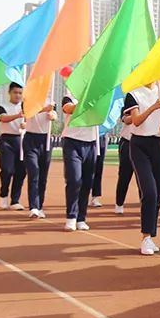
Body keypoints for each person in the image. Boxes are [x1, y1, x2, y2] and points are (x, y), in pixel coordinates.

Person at [124, 82, 160, 254]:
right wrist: (153, 107)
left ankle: (151, 235)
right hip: (140, 145)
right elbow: (136, 121)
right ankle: (145, 237)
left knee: (157, 193)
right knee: (149, 192)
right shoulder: (134, 94)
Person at [60, 91, 100, 231]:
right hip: (72, 142)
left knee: (87, 182)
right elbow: (68, 108)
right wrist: (87, 102)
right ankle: (71, 216)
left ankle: (81, 218)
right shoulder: (70, 97)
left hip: (91, 143)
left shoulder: (97, 97)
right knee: (74, 180)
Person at [23, 97, 56, 218]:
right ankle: (33, 207)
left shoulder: (51, 101)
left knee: (43, 176)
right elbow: (27, 112)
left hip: (46, 140)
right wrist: (44, 109)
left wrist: (53, 115)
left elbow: (54, 115)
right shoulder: (29, 98)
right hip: (31, 139)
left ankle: (40, 205)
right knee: (33, 172)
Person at [0, 82, 26, 210]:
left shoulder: (26, 107)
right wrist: (18, 116)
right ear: (9, 93)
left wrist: (26, 125)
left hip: (22, 140)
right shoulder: (2, 106)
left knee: (21, 171)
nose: (18, 95)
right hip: (7, 140)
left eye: (20, 93)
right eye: (15, 92)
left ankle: (15, 200)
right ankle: (3, 195)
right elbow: (3, 118)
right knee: (7, 170)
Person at [114, 109, 135, 215]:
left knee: (144, 177)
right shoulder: (128, 105)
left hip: (145, 142)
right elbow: (126, 120)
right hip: (128, 142)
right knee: (124, 175)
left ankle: (145, 204)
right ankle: (119, 203)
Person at [90, 130, 107, 208]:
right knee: (85, 168)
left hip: (100, 136)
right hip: (86, 135)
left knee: (98, 168)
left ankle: (95, 196)